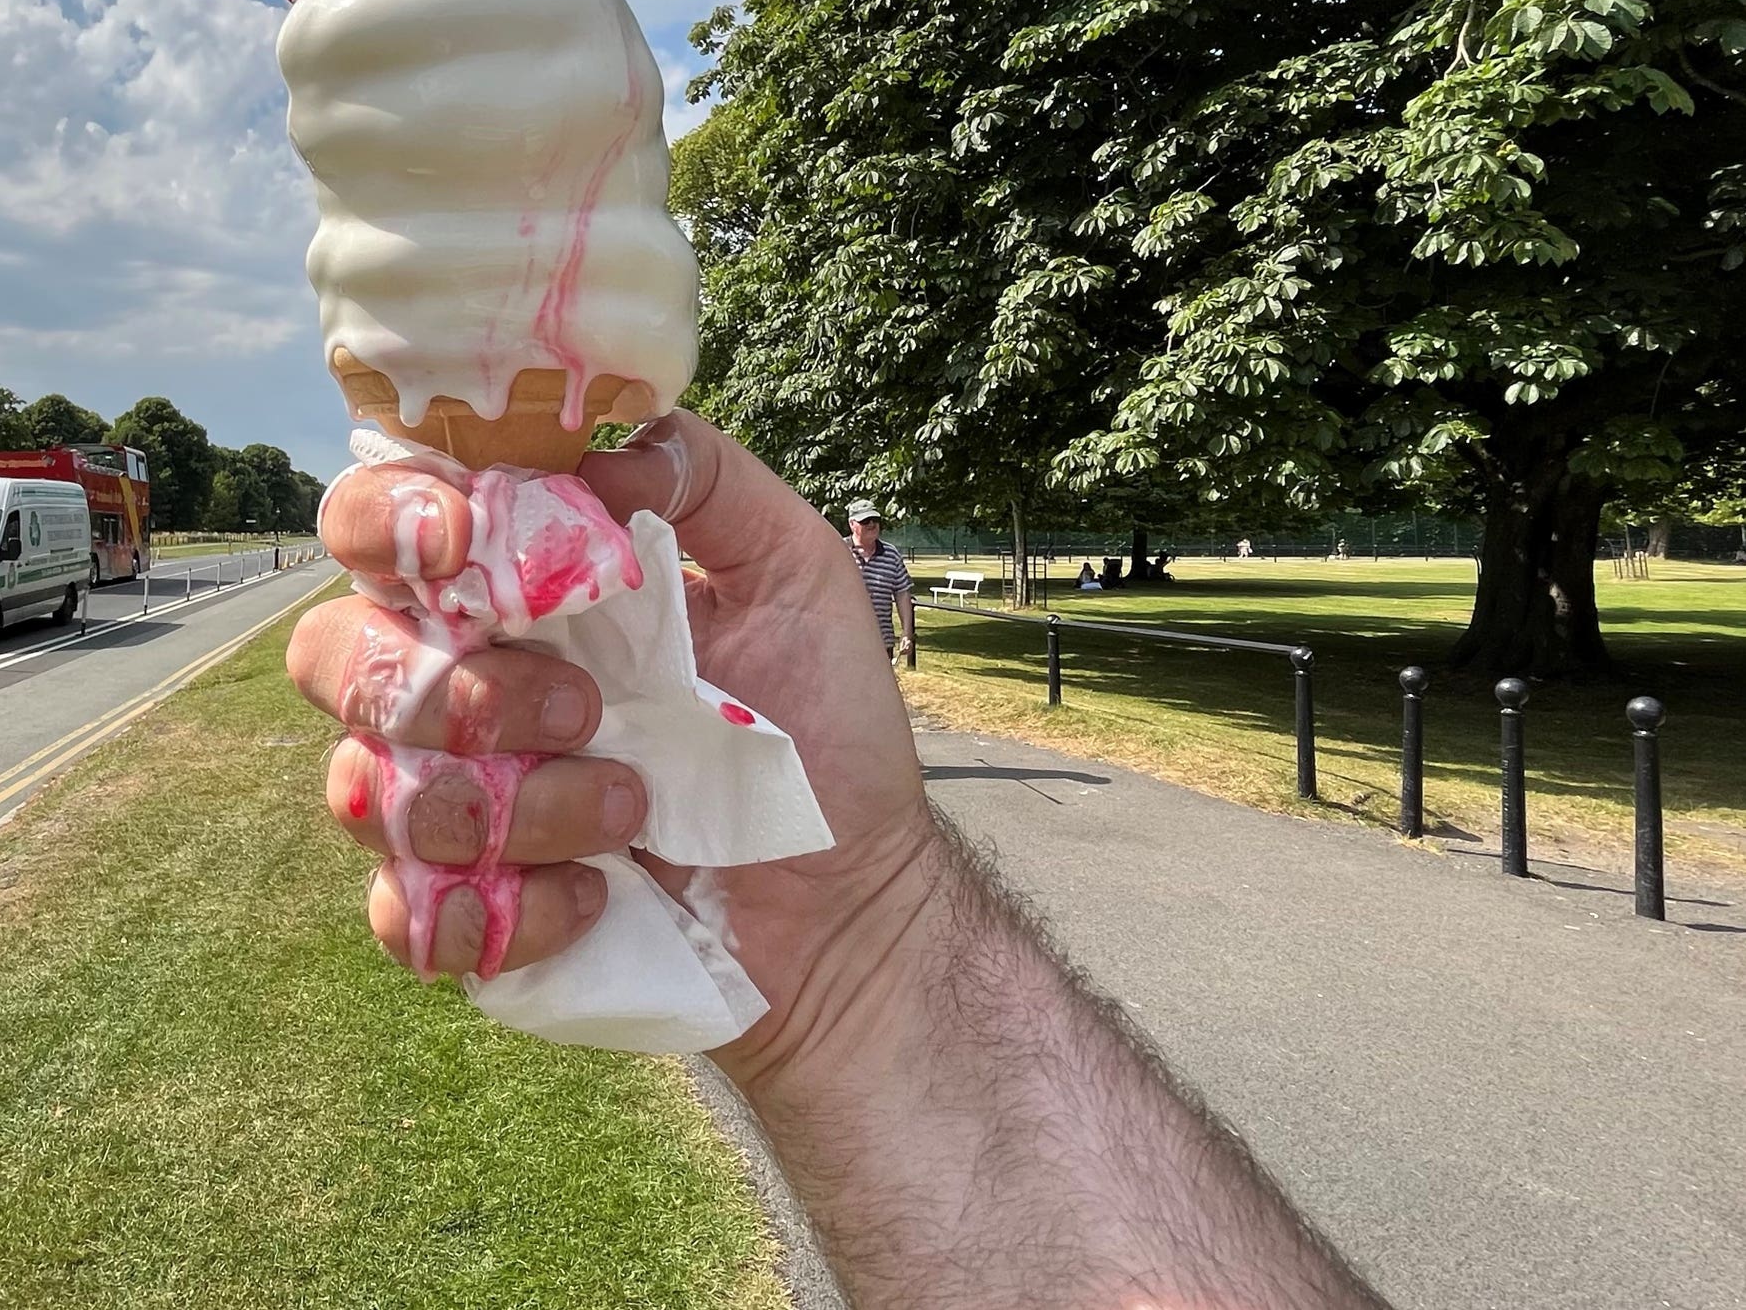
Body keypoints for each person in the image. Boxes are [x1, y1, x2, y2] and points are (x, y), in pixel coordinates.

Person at [293, 414, 1385, 1309]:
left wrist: (870, 894)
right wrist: (851, 950)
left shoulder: (883, 565)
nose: (860, 529)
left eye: (864, 521)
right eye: (856, 520)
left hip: (850, 702)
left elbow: (892, 604)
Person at [843, 499, 914, 665]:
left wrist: (906, 634)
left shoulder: (891, 554)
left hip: (881, 643)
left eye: (875, 520)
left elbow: (903, 594)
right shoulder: (838, 550)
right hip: (844, 642)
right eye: (865, 521)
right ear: (852, 524)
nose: (872, 525)